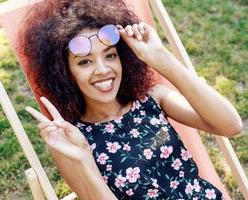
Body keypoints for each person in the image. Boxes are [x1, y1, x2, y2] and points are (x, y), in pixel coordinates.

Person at [21, 0, 243, 199]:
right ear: (64, 73)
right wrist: (84, 160)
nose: (102, 69)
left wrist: (161, 59)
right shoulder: (70, 140)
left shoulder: (153, 99)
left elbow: (231, 125)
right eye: (84, 62)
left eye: (110, 55)